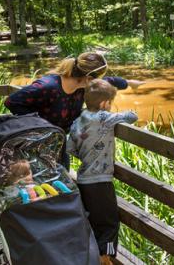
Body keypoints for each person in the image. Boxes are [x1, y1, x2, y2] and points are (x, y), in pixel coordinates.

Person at [4, 52, 143, 167]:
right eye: (96, 79)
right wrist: (40, 125)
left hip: (59, 146)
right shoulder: (47, 86)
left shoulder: (84, 87)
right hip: (34, 149)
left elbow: (110, 81)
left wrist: (130, 83)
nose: (98, 83)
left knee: (63, 187)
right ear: (88, 78)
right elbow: (12, 101)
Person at [66, 79, 138, 265]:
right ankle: (105, 257)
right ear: (105, 104)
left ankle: (96, 253)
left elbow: (70, 148)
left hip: (83, 180)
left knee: (94, 219)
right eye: (110, 103)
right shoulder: (105, 118)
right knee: (110, 222)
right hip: (101, 182)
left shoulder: (78, 120)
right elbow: (131, 117)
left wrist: (86, 154)